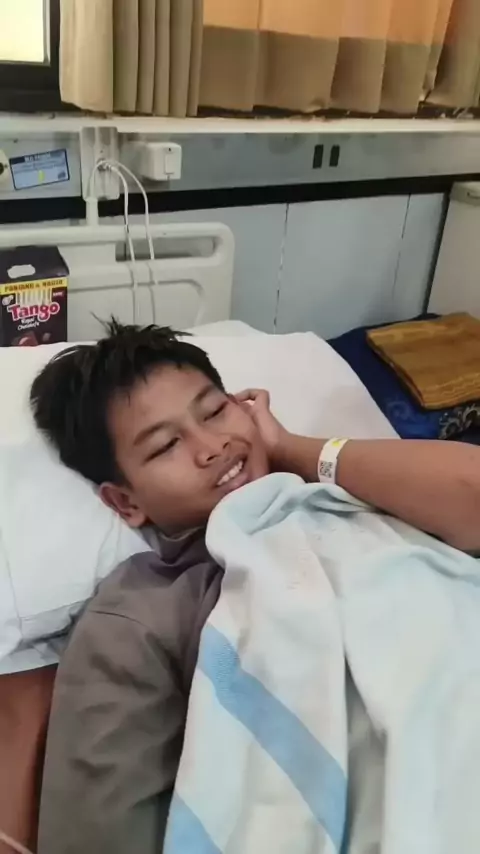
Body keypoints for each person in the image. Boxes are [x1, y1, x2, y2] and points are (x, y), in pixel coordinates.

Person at [32, 320, 480, 854]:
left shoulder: (356, 496)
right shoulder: (143, 610)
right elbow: (97, 835)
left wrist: (288, 447)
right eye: (166, 445)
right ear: (125, 502)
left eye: (215, 411)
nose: (213, 446)